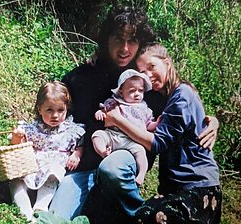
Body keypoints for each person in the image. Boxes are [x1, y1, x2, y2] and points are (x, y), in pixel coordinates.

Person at [48, 6, 219, 223]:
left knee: (113, 167)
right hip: (83, 169)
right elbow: (53, 101)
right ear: (106, 39)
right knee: (55, 216)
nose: (124, 48)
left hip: (124, 161)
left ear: (140, 44)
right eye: (118, 39)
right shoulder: (84, 75)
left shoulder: (146, 85)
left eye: (132, 41)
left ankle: (141, 215)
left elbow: (185, 106)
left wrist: (212, 121)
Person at [104, 43, 222, 223]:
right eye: (143, 72)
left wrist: (117, 120)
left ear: (167, 63)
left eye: (152, 67)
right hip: (176, 188)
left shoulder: (182, 94)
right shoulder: (167, 95)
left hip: (197, 187)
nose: (148, 75)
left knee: (147, 218)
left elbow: (158, 143)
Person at [9, 81, 85, 221]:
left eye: (60, 110)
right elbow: (16, 147)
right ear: (39, 109)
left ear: (67, 109)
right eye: (49, 110)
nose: (55, 115)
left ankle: (41, 206)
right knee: (15, 181)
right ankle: (24, 210)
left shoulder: (71, 129)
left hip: (53, 165)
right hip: (32, 165)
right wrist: (17, 137)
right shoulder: (32, 129)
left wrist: (76, 154)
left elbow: (79, 145)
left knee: (53, 172)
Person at [92, 69, 160, 186]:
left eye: (140, 90)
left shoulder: (145, 109)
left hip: (132, 140)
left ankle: (141, 174)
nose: (137, 94)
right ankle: (104, 152)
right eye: (132, 91)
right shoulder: (115, 102)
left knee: (140, 152)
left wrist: (157, 123)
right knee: (97, 135)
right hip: (113, 135)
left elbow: (148, 125)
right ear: (121, 92)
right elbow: (104, 110)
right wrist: (100, 113)